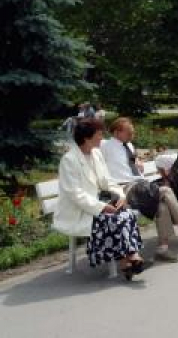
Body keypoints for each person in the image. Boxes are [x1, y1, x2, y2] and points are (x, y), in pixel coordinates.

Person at [101, 117, 178, 262]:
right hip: (124, 187)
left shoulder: (129, 145)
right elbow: (87, 148)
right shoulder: (105, 145)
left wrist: (137, 160)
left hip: (140, 184)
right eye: (129, 133)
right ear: (116, 132)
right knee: (165, 190)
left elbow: (131, 161)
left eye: (133, 132)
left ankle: (162, 249)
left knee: (161, 204)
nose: (132, 135)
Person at [53, 118, 144, 280]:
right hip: (79, 211)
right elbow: (75, 194)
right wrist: (101, 207)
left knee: (126, 212)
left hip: (96, 205)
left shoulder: (96, 154)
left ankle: (132, 258)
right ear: (87, 137)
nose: (102, 137)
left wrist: (121, 195)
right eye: (99, 134)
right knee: (113, 219)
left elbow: (106, 180)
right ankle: (126, 261)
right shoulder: (69, 160)